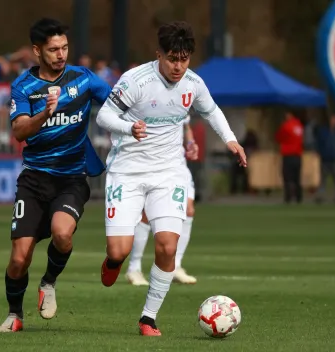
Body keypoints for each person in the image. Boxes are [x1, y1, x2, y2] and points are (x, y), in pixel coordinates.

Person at [96, 21, 246, 336]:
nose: (178, 66)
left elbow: (213, 111)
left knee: (167, 246)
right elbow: (104, 116)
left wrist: (230, 140)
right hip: (127, 171)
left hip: (169, 173)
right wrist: (128, 127)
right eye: (172, 59)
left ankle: (148, 318)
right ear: (158, 54)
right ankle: (114, 262)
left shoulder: (193, 83)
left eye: (184, 59)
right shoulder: (135, 80)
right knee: (117, 251)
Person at [0, 18, 111, 333]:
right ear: (37, 51)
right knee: (19, 259)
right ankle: (14, 315)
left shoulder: (83, 79)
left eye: (64, 47)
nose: (60, 54)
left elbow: (117, 103)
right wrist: (44, 113)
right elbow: (19, 131)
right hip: (34, 179)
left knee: (63, 234)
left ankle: (48, 282)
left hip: (71, 177)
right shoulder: (23, 86)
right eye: (52, 49)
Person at [126, 118, 198, 286]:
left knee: (188, 210)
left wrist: (191, 142)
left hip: (178, 165)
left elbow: (186, 125)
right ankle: (134, 268)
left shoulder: (182, 94)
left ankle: (175, 266)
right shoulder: (146, 95)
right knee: (146, 214)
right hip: (152, 163)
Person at [315, 114, 335, 204]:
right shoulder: (324, 131)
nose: (333, 121)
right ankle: (320, 197)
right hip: (325, 159)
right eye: (332, 119)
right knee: (323, 180)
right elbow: (319, 143)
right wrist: (321, 152)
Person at [275, 112, 304, 203]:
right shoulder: (299, 126)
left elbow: (278, 137)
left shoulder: (286, 126)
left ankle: (288, 197)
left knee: (287, 178)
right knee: (297, 177)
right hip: (298, 155)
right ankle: (299, 197)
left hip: (288, 155)